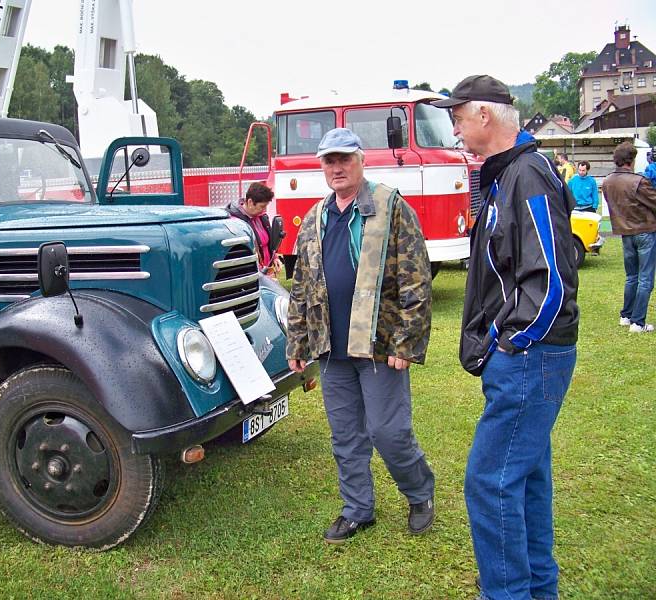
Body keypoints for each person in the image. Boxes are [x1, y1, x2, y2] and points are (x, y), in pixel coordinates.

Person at [433, 75, 579, 600]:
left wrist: (510, 343)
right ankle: (539, 591)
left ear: (484, 117)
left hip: (529, 358)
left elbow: (553, 279)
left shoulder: (528, 175)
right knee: (526, 481)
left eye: (457, 118)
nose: (454, 130)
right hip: (524, 358)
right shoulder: (506, 175)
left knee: (490, 482)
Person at [285, 127, 435, 544]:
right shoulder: (316, 217)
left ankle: (420, 493)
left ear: (360, 160)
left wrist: (406, 341)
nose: (336, 167)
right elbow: (302, 285)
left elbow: (416, 278)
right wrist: (298, 341)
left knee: (388, 431)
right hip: (332, 349)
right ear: (322, 166)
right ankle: (357, 509)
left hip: (378, 346)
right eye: (329, 161)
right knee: (345, 434)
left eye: (344, 159)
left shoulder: (390, 206)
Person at [602, 141, 656, 333]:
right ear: (631, 160)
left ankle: (626, 316)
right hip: (644, 231)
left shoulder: (607, 181)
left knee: (631, 276)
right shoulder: (638, 181)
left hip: (625, 232)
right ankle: (638, 322)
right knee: (645, 279)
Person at [226, 182, 282, 276]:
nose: (264, 210)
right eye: (262, 206)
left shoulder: (262, 217)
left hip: (266, 274)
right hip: (252, 275)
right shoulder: (235, 222)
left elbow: (268, 243)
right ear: (250, 202)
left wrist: (275, 257)